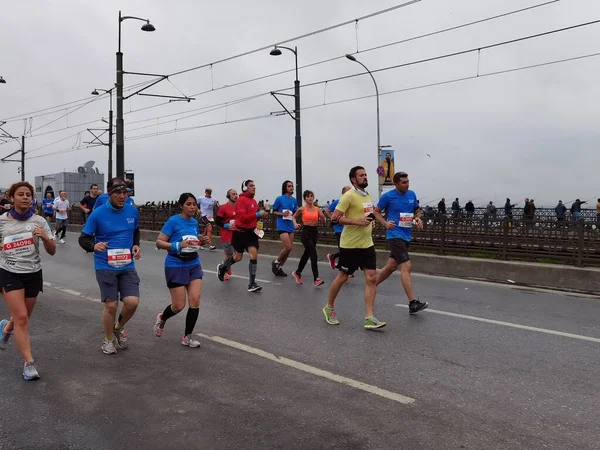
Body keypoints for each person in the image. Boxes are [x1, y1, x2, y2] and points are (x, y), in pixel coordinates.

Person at [78, 178, 141, 355]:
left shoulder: (132, 211)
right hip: (105, 264)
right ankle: (108, 340)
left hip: (127, 263)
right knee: (111, 305)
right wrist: (93, 246)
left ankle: (118, 327)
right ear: (109, 194)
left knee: (132, 302)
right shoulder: (98, 214)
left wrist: (136, 245)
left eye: (125, 192)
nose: (122, 196)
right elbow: (83, 238)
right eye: (118, 193)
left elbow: (135, 230)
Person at [0, 182, 56, 380]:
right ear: (12, 198)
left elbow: (52, 250)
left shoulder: (39, 221)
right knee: (22, 317)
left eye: (28, 195)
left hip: (33, 272)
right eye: (20, 194)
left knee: (23, 316)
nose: (24, 197)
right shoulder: (2, 222)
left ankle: (6, 328)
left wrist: (46, 238)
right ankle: (29, 363)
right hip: (8, 272)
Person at [324, 166, 386, 330]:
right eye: (361, 175)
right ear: (353, 179)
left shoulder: (368, 195)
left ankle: (369, 317)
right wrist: (357, 222)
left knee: (372, 278)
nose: (365, 177)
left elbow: (366, 214)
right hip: (350, 245)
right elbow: (335, 219)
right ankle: (329, 308)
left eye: (366, 175)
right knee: (343, 277)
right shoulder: (348, 196)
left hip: (367, 244)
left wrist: (375, 219)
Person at [153, 193, 206, 348]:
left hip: (193, 264)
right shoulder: (173, 221)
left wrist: (201, 240)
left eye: (194, 204)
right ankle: (162, 318)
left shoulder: (195, 222)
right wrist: (177, 246)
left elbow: (192, 241)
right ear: (181, 205)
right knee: (178, 306)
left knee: (195, 300)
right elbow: (159, 242)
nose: (192, 207)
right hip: (175, 265)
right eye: (188, 204)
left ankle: (187, 337)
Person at [373, 172, 429, 314]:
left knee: (391, 266)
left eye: (408, 181)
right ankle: (412, 303)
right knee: (406, 266)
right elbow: (376, 212)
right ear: (396, 184)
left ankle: (372, 284)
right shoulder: (388, 196)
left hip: (406, 235)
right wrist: (385, 223)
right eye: (403, 182)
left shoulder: (412, 194)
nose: (407, 184)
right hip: (394, 235)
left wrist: (418, 219)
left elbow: (417, 211)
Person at [217, 180, 269, 292]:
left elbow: (254, 218)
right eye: (251, 186)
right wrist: (257, 214)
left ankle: (252, 284)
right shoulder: (241, 200)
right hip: (240, 233)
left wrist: (261, 216)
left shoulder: (254, 201)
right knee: (237, 257)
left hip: (251, 233)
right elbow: (242, 218)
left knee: (253, 255)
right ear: (245, 188)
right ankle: (223, 267)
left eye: (254, 185)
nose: (254, 187)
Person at [291, 190, 326, 286]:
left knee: (307, 254)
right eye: (307, 196)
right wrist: (295, 224)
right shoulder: (302, 209)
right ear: (305, 199)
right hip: (305, 232)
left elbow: (323, 220)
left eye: (311, 196)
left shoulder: (317, 209)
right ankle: (316, 278)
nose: (310, 198)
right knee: (313, 254)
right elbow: (293, 217)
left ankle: (298, 273)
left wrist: (323, 218)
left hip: (314, 232)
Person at [271, 180, 299, 277]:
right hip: (282, 226)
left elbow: (295, 213)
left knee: (288, 250)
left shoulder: (294, 200)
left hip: (290, 226)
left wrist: (296, 220)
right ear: (285, 188)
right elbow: (273, 211)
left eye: (292, 186)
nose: (291, 188)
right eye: (289, 186)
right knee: (288, 247)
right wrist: (282, 214)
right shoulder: (279, 199)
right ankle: (276, 262)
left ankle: (279, 267)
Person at [215, 188, 238, 281]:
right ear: (228, 196)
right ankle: (222, 268)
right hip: (226, 234)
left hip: (236, 234)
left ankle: (227, 267)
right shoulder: (223, 208)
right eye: (233, 194)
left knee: (236, 254)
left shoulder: (238, 207)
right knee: (229, 255)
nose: (236, 195)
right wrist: (226, 225)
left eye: (236, 194)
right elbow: (217, 221)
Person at [327, 186, 351, 271]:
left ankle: (334, 258)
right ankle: (343, 268)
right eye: (348, 192)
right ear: (343, 193)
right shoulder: (337, 202)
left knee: (347, 249)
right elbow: (326, 211)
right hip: (338, 229)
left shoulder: (350, 203)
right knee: (343, 249)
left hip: (347, 229)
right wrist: (333, 218)